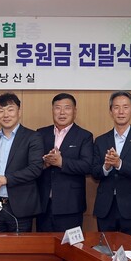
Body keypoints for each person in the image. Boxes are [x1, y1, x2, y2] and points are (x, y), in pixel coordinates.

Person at [92, 91, 131, 237]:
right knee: (105, 248)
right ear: (110, 111)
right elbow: (94, 172)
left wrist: (119, 164)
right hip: (106, 206)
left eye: (125, 107)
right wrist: (106, 167)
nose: (121, 112)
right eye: (116, 107)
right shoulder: (101, 140)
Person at [0, 93, 43, 232]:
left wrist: (7, 179)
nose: (6, 115)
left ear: (19, 112)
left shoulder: (33, 137)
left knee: (20, 246)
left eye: (10, 110)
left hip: (20, 208)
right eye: (0, 111)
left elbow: (35, 169)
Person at [36, 93, 92, 232]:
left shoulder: (84, 136)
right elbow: (33, 163)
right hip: (44, 205)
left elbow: (87, 166)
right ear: (52, 110)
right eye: (57, 108)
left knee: (70, 245)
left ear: (74, 111)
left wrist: (61, 162)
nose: (62, 112)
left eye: (67, 108)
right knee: (44, 244)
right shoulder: (41, 133)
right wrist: (45, 164)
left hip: (71, 206)